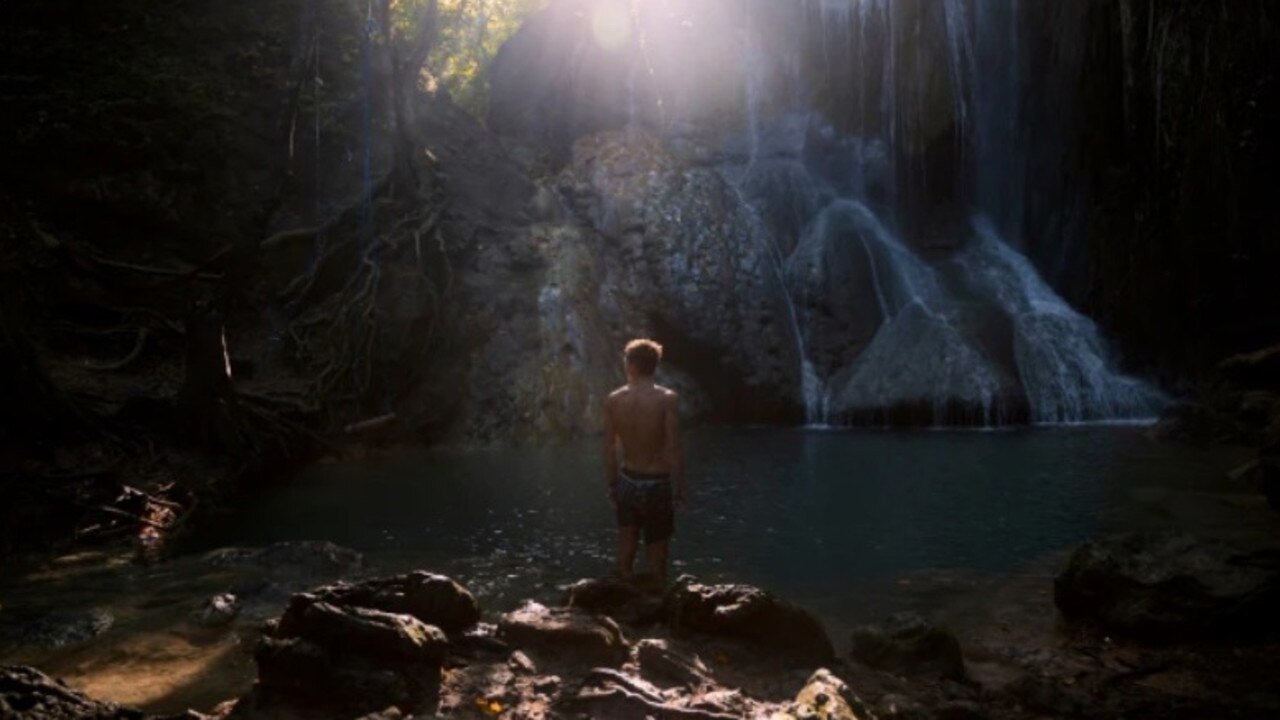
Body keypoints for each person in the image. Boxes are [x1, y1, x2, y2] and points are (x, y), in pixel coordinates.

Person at [602, 338, 686, 583]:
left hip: (628, 480)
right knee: (657, 557)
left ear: (631, 366)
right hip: (658, 482)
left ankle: (624, 607)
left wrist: (612, 484)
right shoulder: (667, 399)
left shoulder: (614, 399)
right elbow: (674, 447)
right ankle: (657, 610)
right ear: (655, 366)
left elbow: (608, 449)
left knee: (626, 549)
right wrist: (680, 485)